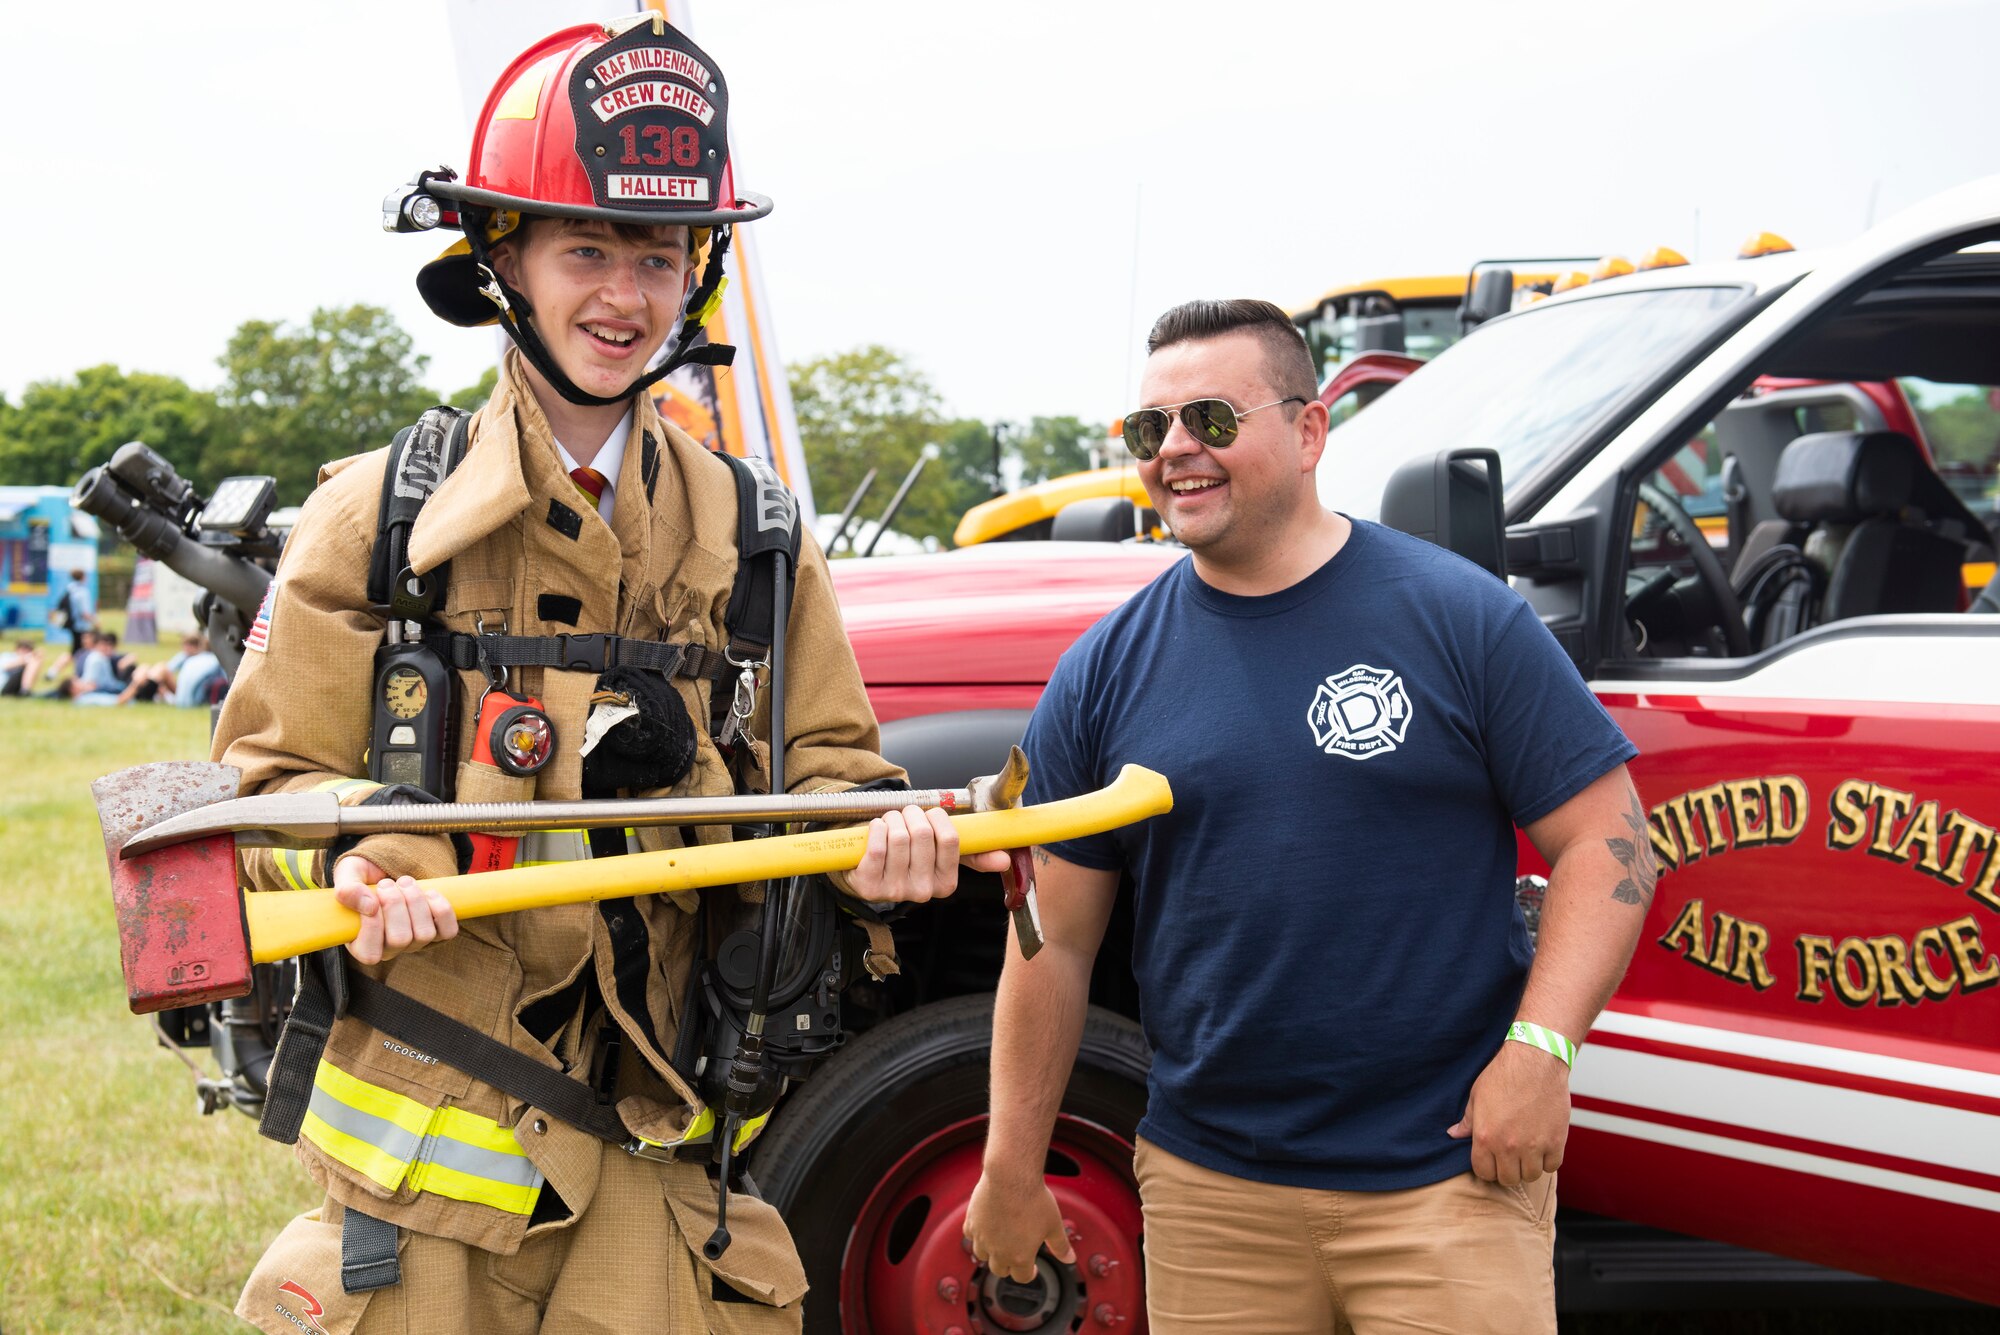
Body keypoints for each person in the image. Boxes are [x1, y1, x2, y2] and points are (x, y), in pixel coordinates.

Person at [214, 17, 1000, 1334]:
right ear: (501, 256)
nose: (624, 294)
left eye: (658, 253)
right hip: (420, 1179)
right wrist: (355, 852)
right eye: (586, 248)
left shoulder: (757, 537)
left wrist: (883, 846)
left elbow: (832, 772)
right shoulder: (374, 522)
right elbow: (255, 791)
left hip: (659, 1151)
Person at [963, 299, 1652, 1334]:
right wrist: (1009, 1168)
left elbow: (1611, 847)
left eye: (1211, 418)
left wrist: (1539, 1054)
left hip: (1446, 1180)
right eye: (1150, 430)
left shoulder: (1458, 617)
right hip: (1210, 1198)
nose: (1176, 450)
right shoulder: (1104, 669)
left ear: (1309, 430)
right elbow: (1050, 939)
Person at [52, 569, 94, 652]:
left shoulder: (70, 589)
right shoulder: (82, 591)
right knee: (83, 648)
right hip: (82, 624)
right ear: (82, 577)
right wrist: (93, 621)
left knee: (76, 647)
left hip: (72, 622)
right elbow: (84, 612)